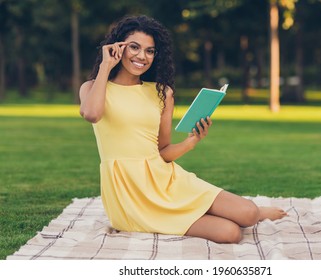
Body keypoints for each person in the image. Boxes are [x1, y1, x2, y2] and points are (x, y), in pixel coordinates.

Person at [79, 15, 287, 244]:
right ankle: (204, 213)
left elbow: (162, 151)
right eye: (134, 47)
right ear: (117, 47)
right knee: (231, 234)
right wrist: (105, 66)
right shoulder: (92, 87)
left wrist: (191, 141)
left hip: (166, 180)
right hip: (130, 195)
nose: (142, 56)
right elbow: (91, 114)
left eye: (150, 51)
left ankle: (254, 212)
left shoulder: (161, 92)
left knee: (248, 213)